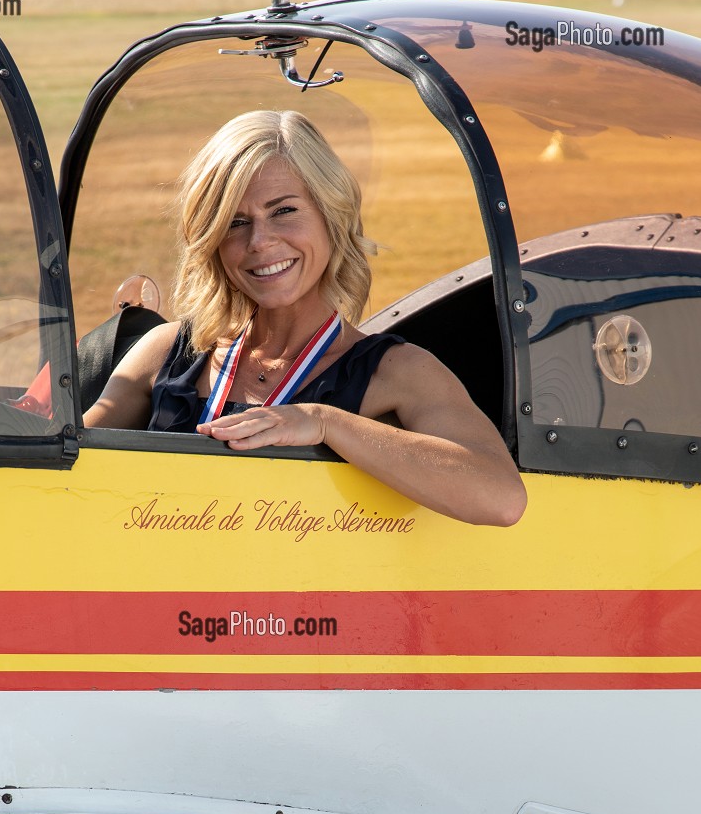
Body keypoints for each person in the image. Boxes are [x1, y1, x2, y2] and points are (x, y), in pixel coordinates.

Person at [83, 110, 526, 527]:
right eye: (235, 222)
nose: (259, 241)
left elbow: (501, 497)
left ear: (331, 217)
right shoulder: (168, 352)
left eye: (284, 211)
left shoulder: (399, 373)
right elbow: (61, 465)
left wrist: (324, 422)